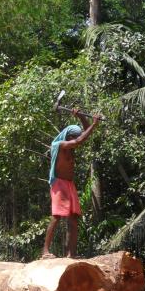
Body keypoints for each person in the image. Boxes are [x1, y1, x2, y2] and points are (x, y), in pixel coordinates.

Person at [42, 110, 100, 259]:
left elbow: (82, 137)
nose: (76, 140)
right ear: (68, 137)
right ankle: (45, 252)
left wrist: (80, 116)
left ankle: (71, 254)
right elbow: (79, 141)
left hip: (69, 185)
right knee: (56, 217)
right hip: (59, 185)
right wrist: (94, 123)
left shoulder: (71, 144)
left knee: (73, 218)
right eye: (73, 137)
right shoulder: (59, 145)